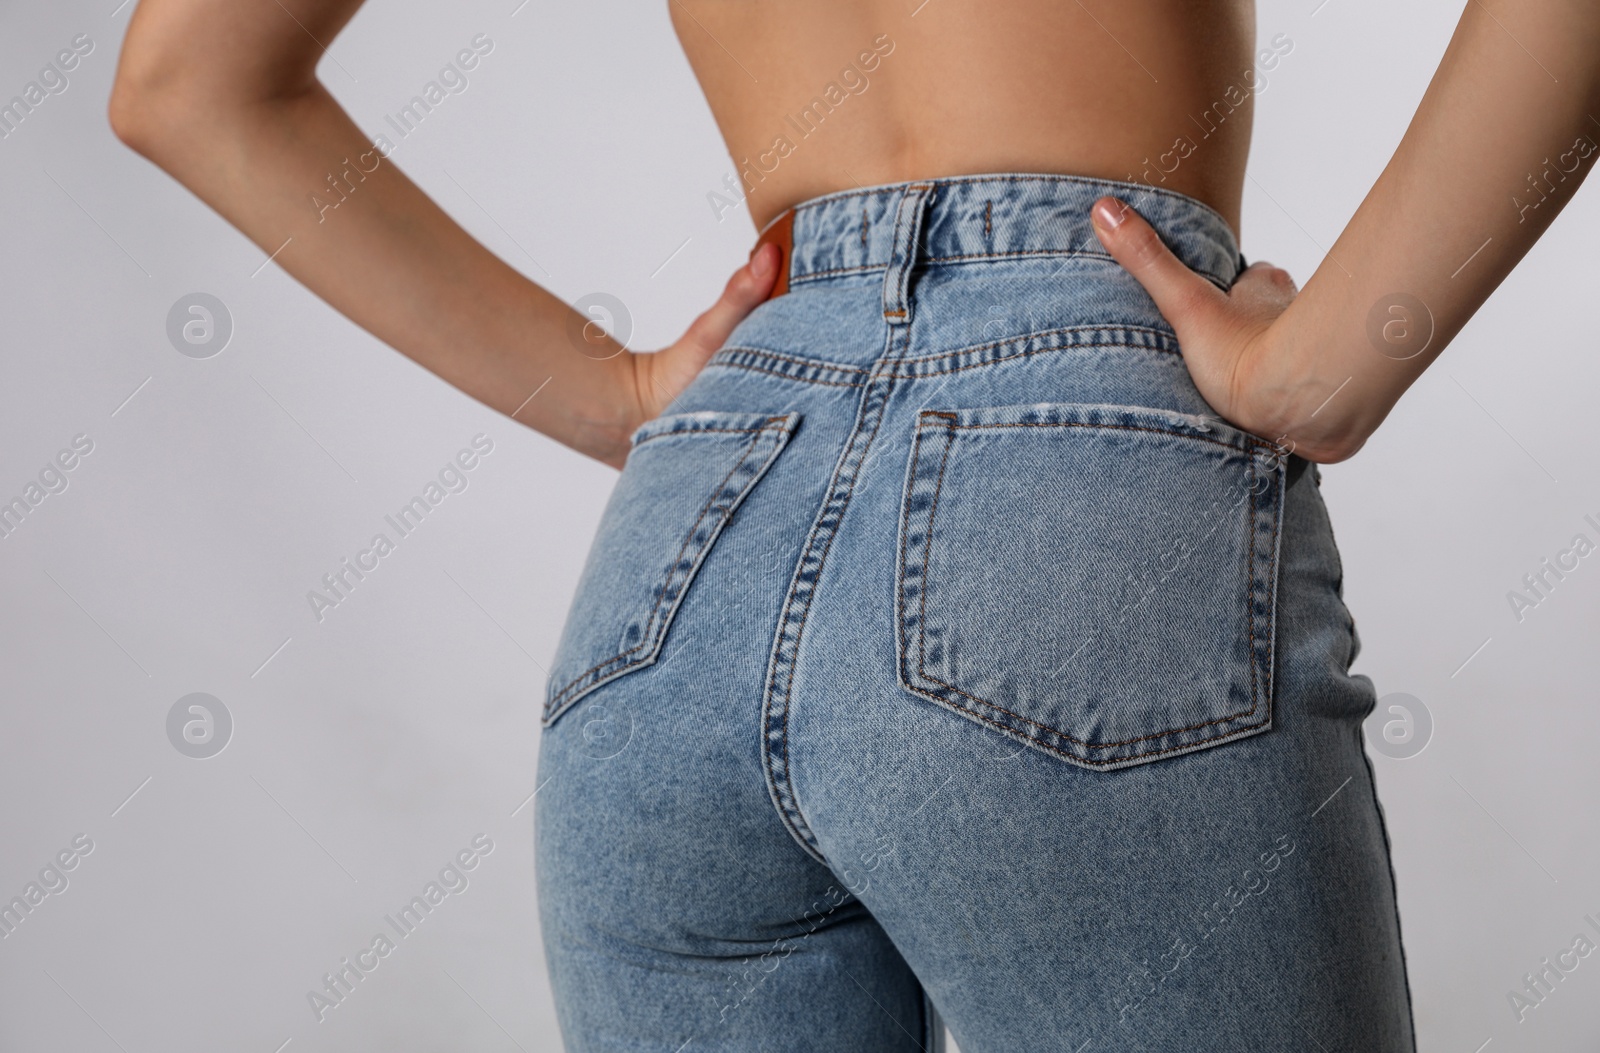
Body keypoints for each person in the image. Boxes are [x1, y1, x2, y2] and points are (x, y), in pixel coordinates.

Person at [109, 2, 1598, 1049]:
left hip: (693, 548)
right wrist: (1324, 363)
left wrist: (623, 390)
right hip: (1079, 467)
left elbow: (185, 80)